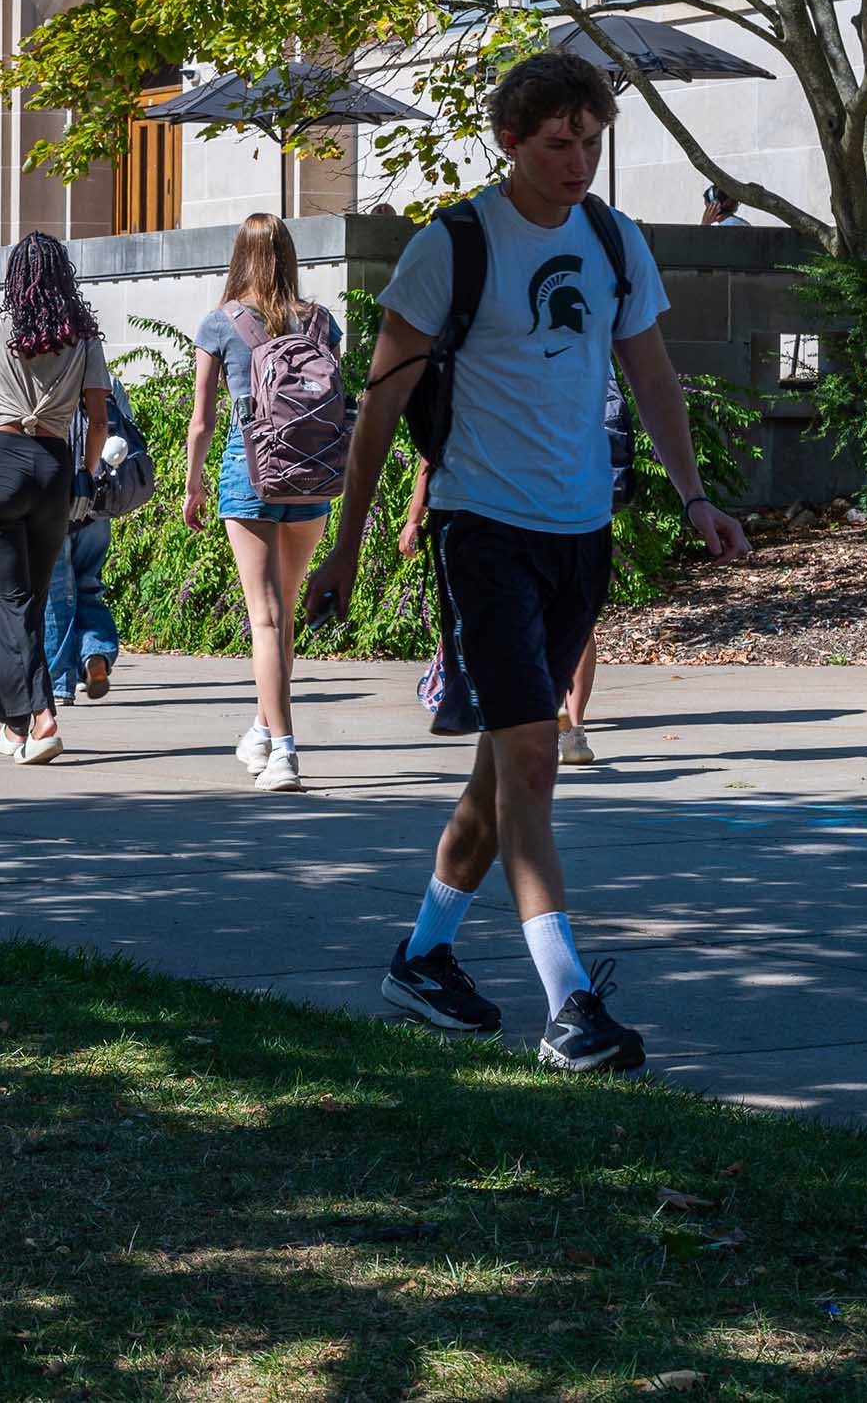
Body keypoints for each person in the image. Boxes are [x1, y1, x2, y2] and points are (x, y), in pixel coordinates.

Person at [300, 52, 751, 1075]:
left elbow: (655, 380)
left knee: (500, 772)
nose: (578, 161)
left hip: (579, 535)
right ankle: (571, 1006)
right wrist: (351, 543)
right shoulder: (452, 246)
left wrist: (693, 496)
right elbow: (377, 409)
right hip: (480, 531)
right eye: (559, 143)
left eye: (592, 141)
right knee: (534, 760)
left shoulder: (613, 239)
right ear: (510, 140)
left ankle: (423, 957)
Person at [182, 213, 341, 793]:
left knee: (264, 617)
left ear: (239, 257)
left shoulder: (219, 323)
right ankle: (260, 727)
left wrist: (193, 483)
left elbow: (203, 421)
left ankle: (283, 751)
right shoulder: (321, 322)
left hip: (248, 473)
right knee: (284, 614)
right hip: (312, 474)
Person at [0, 232, 108, 764]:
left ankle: (42, 717)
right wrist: (81, 477)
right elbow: (100, 420)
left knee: (14, 600)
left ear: (15, 275)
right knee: (25, 602)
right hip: (53, 467)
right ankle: (13, 729)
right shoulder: (83, 337)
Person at [400, 469, 600, 764]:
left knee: (510, 621)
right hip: (567, 504)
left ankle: (535, 720)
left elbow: (432, 453)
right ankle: (572, 731)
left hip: (491, 514)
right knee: (574, 618)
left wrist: (414, 518)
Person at [47, 377, 129, 706]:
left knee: (56, 598)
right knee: (88, 585)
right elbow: (124, 438)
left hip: (55, 501)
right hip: (97, 503)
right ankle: (96, 655)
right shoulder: (108, 381)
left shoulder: (48, 376)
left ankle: (59, 684)